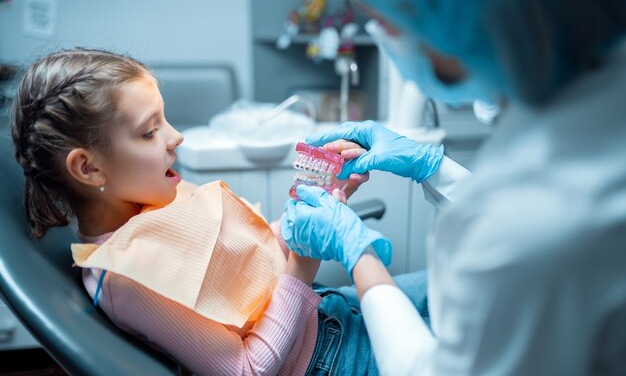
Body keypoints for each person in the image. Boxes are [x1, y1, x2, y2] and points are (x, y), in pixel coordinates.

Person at [281, 0, 626, 375]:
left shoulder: (541, 225)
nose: (382, 34)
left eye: (387, 21)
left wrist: (358, 255)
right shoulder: (593, 94)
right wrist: (431, 165)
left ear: (467, 18)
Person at [10, 47, 416, 376]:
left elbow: (248, 260)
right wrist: (304, 264)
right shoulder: (125, 278)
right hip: (325, 360)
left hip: (328, 312)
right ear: (89, 167)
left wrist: (316, 201)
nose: (176, 137)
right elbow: (247, 369)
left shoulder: (152, 204)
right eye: (150, 131)